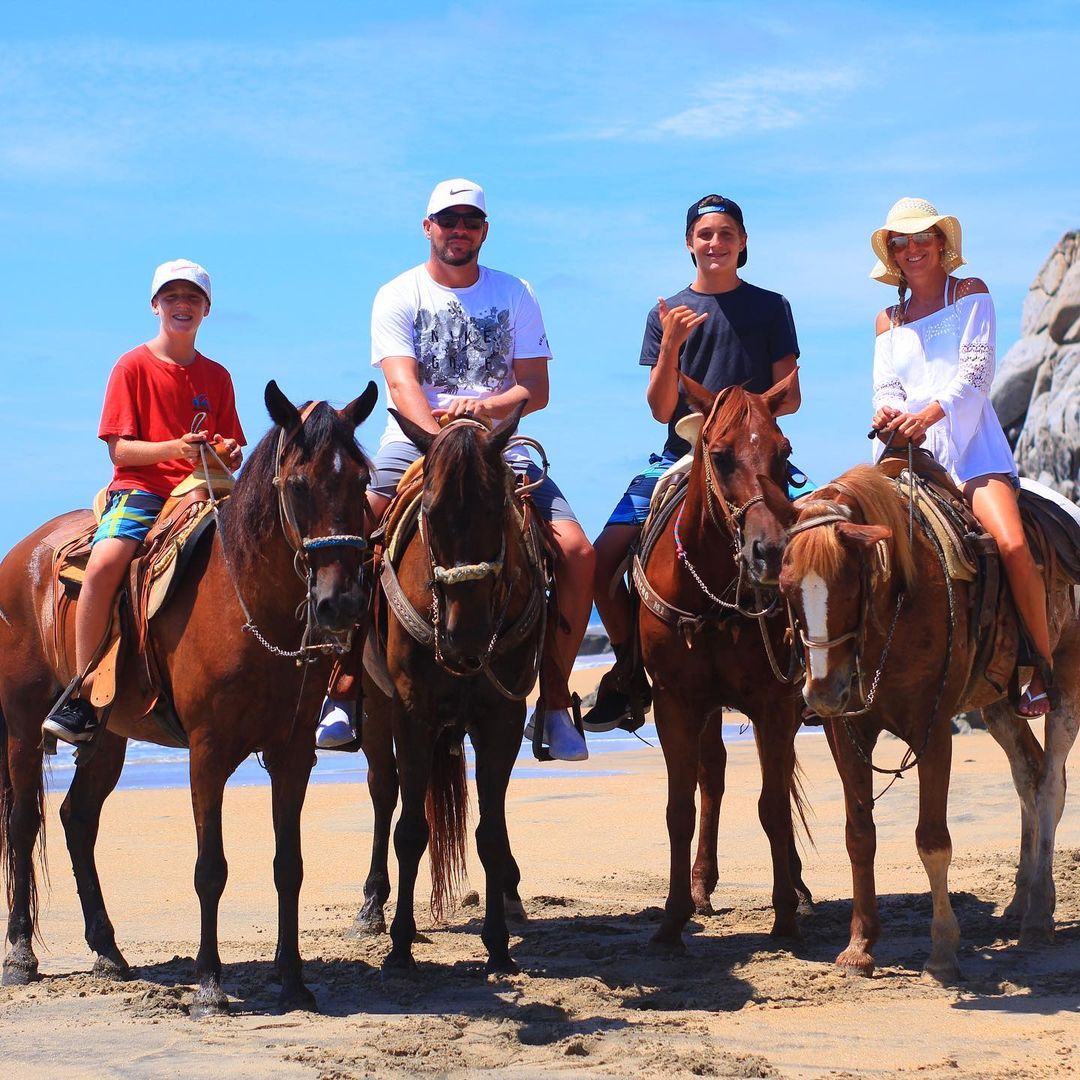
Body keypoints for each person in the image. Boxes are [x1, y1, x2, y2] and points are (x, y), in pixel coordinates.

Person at [316, 179, 595, 760]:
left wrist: (485, 411)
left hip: (498, 446)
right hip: (415, 440)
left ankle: (555, 700)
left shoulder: (515, 292)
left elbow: (535, 388)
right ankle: (342, 684)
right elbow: (401, 382)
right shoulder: (397, 293)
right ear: (428, 228)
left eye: (470, 221)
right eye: (448, 221)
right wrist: (439, 438)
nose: (458, 230)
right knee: (348, 536)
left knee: (576, 552)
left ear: (484, 231)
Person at [582, 194, 802, 732]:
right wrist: (672, 345)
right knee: (601, 558)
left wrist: (748, 416)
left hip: (753, 456)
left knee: (823, 535)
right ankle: (631, 668)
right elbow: (660, 407)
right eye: (705, 234)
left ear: (743, 242)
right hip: (680, 452)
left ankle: (814, 665)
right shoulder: (668, 313)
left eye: (726, 234)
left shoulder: (771, 307)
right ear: (689, 244)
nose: (715, 243)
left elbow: (790, 397)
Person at [42, 260, 245, 745]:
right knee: (105, 563)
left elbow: (231, 449)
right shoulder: (131, 366)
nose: (182, 305)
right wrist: (177, 448)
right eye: (172, 297)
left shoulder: (217, 376)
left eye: (192, 298)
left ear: (206, 310)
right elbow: (120, 449)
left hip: (204, 488)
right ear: (156, 305)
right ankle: (82, 687)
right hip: (141, 489)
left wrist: (227, 453)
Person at [868, 197, 1054, 717]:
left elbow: (975, 377)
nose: (911, 249)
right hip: (906, 454)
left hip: (970, 447)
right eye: (900, 242)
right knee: (847, 540)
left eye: (921, 238)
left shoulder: (971, 293)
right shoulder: (886, 320)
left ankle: (1040, 668)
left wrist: (927, 416)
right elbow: (884, 388)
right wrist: (888, 415)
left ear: (942, 243)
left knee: (1013, 544)